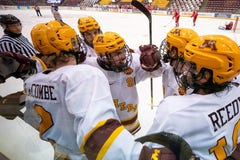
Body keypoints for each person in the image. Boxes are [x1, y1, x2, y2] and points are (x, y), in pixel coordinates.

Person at [24, 19, 181, 160]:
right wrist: (143, 156)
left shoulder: (32, 82)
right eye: (73, 40)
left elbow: (32, 120)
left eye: (120, 51)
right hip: (91, 152)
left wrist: (152, 65)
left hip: (62, 152)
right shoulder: (85, 72)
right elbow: (99, 138)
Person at [147, 35, 240, 159]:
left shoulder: (174, 111)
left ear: (205, 77)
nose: (184, 70)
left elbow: (150, 149)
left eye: (189, 66)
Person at [87, 31, 165, 135]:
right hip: (105, 123)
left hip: (129, 116)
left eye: (123, 50)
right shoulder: (89, 68)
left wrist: (155, 64)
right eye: (117, 53)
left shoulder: (133, 62)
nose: (123, 56)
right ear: (103, 57)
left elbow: (157, 73)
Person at [159, 27, 198, 97]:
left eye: (168, 45)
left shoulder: (194, 82)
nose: (166, 48)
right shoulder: (168, 67)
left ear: (174, 52)